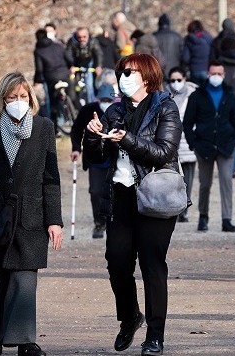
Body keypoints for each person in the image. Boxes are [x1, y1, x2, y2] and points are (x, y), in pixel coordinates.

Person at [83, 53, 182, 356]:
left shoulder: (166, 108)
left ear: (148, 78)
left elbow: (164, 152)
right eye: (122, 72)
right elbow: (98, 158)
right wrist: (93, 138)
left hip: (154, 195)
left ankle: (155, 336)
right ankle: (130, 318)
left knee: (152, 265)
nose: (124, 76)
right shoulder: (114, 110)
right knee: (117, 262)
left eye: (131, 72)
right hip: (121, 195)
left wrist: (126, 140)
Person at [0, 73, 63, 356]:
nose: (18, 102)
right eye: (12, 97)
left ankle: (25, 342)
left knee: (24, 279)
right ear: (2, 99)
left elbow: (51, 177)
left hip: (31, 216)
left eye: (23, 97)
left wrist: (54, 220)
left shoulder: (44, 127)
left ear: (31, 99)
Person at [183, 61, 235, 232]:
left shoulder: (230, 95)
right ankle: (203, 217)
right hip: (204, 146)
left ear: (223, 75)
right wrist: (192, 143)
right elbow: (187, 123)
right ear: (208, 74)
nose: (216, 76)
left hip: (226, 146)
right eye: (213, 73)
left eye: (219, 73)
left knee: (226, 183)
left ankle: (227, 219)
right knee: (205, 184)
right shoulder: (197, 96)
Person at [70, 84, 116, 238]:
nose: (105, 102)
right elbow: (76, 129)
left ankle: (112, 222)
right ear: (97, 98)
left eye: (108, 99)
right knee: (95, 191)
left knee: (112, 191)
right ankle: (99, 223)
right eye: (103, 99)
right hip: (95, 160)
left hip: (114, 159)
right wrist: (76, 148)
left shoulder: (119, 110)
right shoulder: (89, 110)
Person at [164, 67, 198, 223]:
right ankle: (173, 209)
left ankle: (184, 209)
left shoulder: (193, 94)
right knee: (171, 180)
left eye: (179, 79)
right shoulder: (164, 95)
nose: (176, 83)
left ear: (185, 78)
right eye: (172, 80)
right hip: (170, 144)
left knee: (188, 180)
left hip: (187, 143)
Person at [33, 28, 74, 135]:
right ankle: (75, 115)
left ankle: (54, 129)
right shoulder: (57, 45)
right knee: (73, 97)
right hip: (65, 74)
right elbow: (69, 58)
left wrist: (37, 80)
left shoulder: (38, 51)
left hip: (51, 78)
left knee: (52, 103)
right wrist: (70, 67)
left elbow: (39, 69)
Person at [67, 26, 104, 103]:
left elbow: (98, 53)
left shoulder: (93, 41)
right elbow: (68, 54)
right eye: (79, 37)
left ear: (88, 35)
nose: (82, 39)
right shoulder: (72, 42)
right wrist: (71, 65)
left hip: (88, 63)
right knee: (73, 84)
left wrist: (98, 66)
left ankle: (91, 103)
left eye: (84, 36)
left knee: (89, 84)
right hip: (76, 63)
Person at [182, 20, 214, 87]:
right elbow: (212, 54)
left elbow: (185, 58)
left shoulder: (188, 39)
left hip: (194, 70)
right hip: (206, 70)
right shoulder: (209, 37)